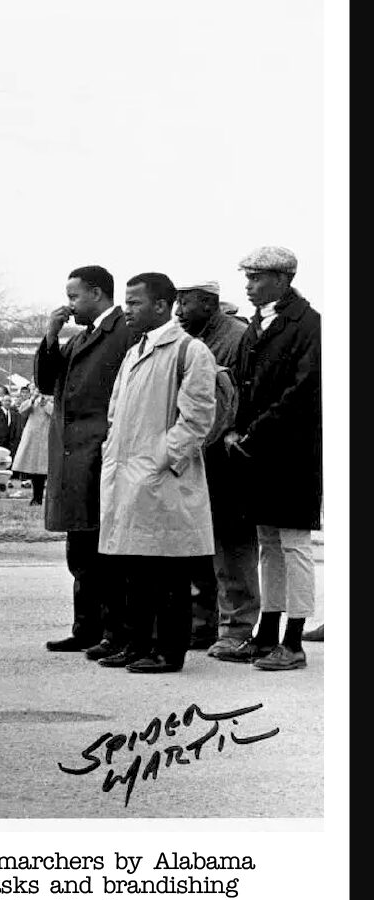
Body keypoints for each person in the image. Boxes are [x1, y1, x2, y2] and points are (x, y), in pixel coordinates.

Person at [96, 272, 216, 674]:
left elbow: (197, 417)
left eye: (135, 303)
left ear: (161, 306)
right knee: (136, 569)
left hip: (161, 478)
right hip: (129, 475)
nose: (127, 309)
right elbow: (117, 411)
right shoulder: (135, 351)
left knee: (168, 571)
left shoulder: (189, 351)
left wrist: (161, 459)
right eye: (127, 302)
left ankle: (169, 650)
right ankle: (137, 644)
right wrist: (114, 449)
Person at [217, 246, 321, 671]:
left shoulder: (309, 324)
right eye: (248, 276)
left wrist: (252, 432)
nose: (248, 283)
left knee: (293, 545)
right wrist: (231, 428)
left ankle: (293, 642)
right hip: (256, 451)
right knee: (268, 544)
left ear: (283, 279)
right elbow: (242, 386)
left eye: (257, 276)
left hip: (292, 453)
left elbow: (303, 390)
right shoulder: (255, 326)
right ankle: (266, 634)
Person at [35, 265, 143, 657]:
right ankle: (87, 628)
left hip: (100, 453)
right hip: (73, 456)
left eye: (74, 297)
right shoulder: (82, 337)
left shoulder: (124, 332)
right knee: (80, 549)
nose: (69, 305)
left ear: (96, 294)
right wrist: (50, 336)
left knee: (105, 550)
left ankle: (115, 631)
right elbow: (47, 383)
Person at [174, 280, 256, 654]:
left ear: (208, 304)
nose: (178, 312)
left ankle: (237, 628)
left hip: (229, 460)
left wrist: (237, 431)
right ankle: (203, 623)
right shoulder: (187, 341)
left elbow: (251, 394)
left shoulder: (238, 338)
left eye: (185, 304)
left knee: (232, 545)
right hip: (197, 458)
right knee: (200, 544)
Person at [12, 386, 52, 505]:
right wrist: (32, 400)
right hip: (33, 438)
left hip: (46, 436)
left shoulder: (51, 399)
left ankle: (43, 498)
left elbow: (55, 413)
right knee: (34, 470)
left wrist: (45, 404)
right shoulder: (32, 401)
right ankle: (36, 497)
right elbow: (22, 411)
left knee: (44, 470)